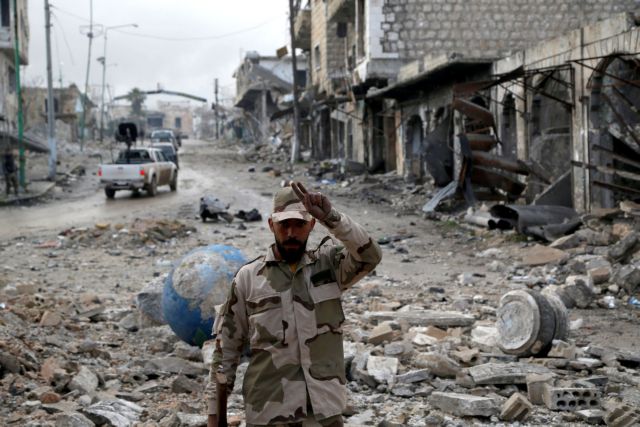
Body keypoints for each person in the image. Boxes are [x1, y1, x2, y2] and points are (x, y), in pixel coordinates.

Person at [206, 182, 382, 427]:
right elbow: (225, 353)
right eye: (284, 225)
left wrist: (331, 218)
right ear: (271, 225)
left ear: (311, 224)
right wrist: (215, 418)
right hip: (268, 412)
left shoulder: (330, 266)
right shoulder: (248, 278)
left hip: (323, 412)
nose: (291, 233)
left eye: (299, 224)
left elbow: (370, 256)